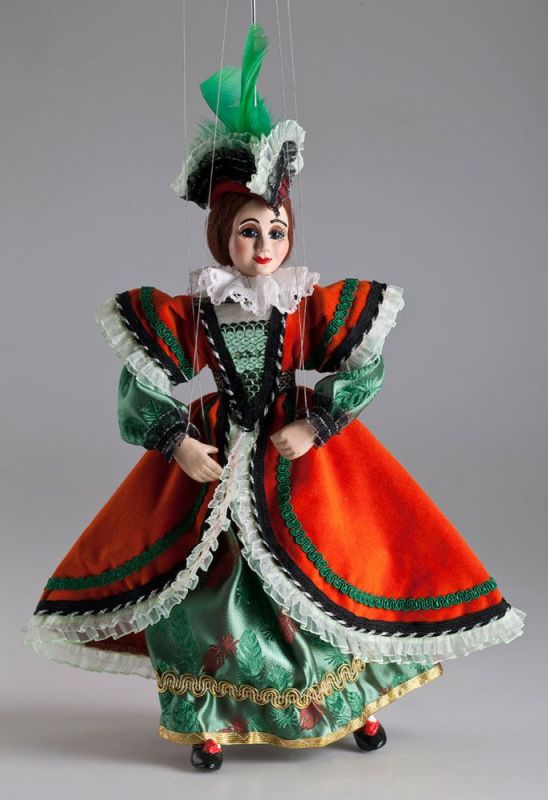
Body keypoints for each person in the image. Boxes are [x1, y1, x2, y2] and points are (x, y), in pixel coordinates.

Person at [23, 24, 524, 772]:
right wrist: (176, 441)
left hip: (297, 459)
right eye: (249, 232)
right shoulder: (198, 311)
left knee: (327, 577)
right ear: (222, 237)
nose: (264, 247)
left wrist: (317, 423)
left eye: (276, 231)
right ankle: (212, 713)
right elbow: (142, 380)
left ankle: (343, 703)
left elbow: (363, 368)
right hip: (219, 456)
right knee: (211, 587)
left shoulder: (303, 305)